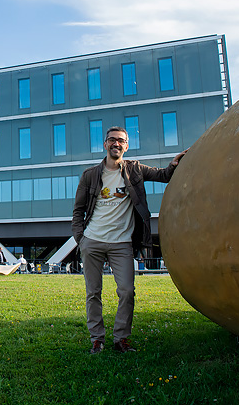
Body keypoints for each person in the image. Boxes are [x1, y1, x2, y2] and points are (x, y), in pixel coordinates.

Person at [72, 126, 187, 354]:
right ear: (105, 144)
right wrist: (80, 238)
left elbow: (163, 175)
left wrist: (176, 163)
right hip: (92, 241)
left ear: (127, 146)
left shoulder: (135, 169)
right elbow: (78, 210)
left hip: (122, 243)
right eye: (112, 140)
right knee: (93, 292)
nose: (116, 144)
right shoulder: (90, 175)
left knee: (127, 291)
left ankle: (121, 339)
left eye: (121, 141)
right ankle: (97, 339)